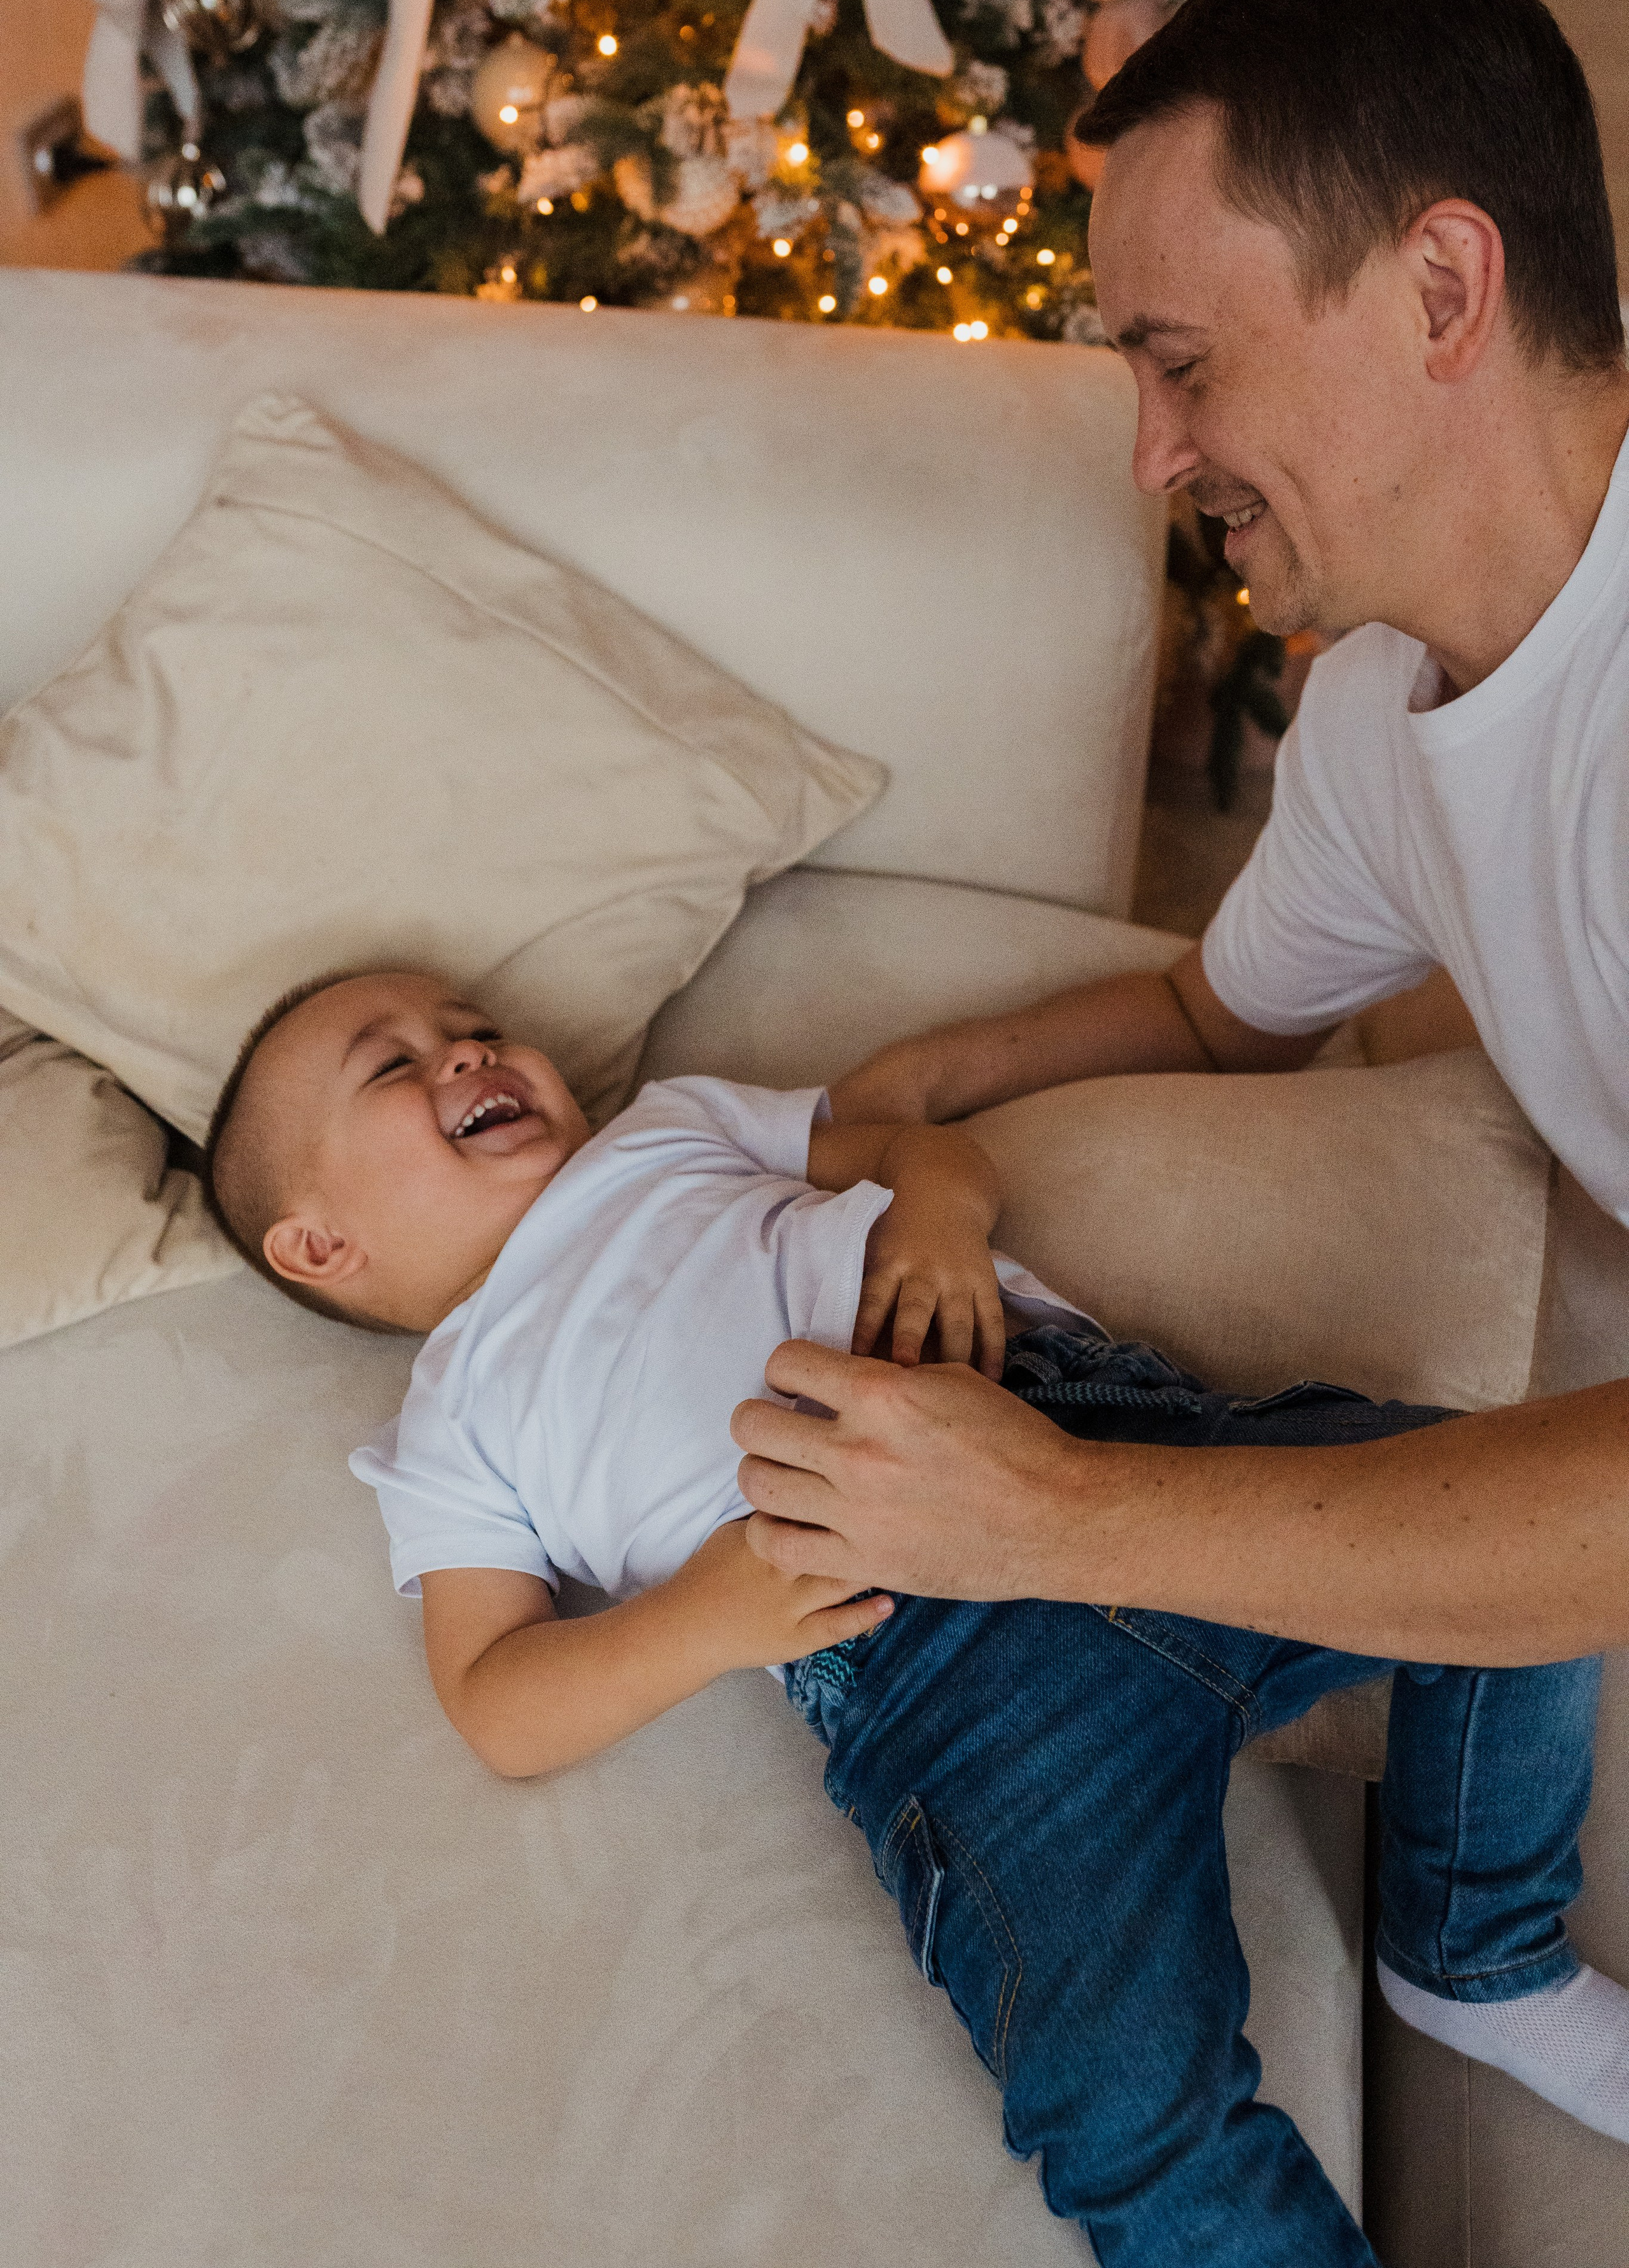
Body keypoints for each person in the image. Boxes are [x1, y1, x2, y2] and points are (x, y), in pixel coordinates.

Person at [205, 967, 1627, 2268]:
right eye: (391, 1065)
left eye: (468, 1021)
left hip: (1121, 1440)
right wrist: (701, 1619)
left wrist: (938, 1217)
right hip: (935, 1676)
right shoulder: (453, 1424)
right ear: (320, 1246)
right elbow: (500, 1702)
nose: (465, 1049)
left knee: (1502, 1546)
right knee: (1127, 2109)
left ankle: (1475, 1951)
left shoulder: (666, 1130)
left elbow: (910, 1142)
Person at [732, 0, 1629, 1671]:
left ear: (1443, 290)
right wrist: (887, 1097)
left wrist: (1050, 1520)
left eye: (1186, 363)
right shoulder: (1383, 706)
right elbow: (1212, 1022)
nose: (1151, 455)